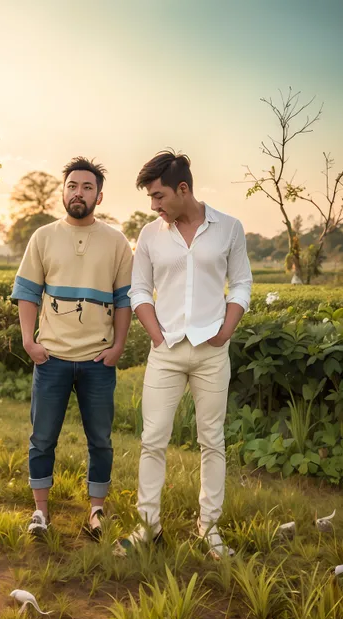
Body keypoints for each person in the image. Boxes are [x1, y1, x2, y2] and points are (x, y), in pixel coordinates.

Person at [124, 150, 252, 558]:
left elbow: (243, 284)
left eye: (158, 196)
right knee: (152, 440)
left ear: (183, 189)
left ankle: (210, 530)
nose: (154, 206)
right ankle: (148, 528)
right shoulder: (149, 235)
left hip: (213, 353)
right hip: (166, 352)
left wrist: (226, 331)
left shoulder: (229, 228)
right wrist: (157, 336)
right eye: (150, 198)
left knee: (212, 441)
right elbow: (139, 290)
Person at [11, 157, 132, 538]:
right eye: (72, 186)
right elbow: (28, 293)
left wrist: (118, 347)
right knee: (42, 437)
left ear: (99, 195)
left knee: (101, 439)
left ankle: (96, 512)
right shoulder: (43, 237)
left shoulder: (116, 241)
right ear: (63, 191)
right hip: (52, 358)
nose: (78, 193)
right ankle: (40, 514)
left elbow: (125, 299)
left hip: (98, 359)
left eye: (87, 187)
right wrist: (29, 341)